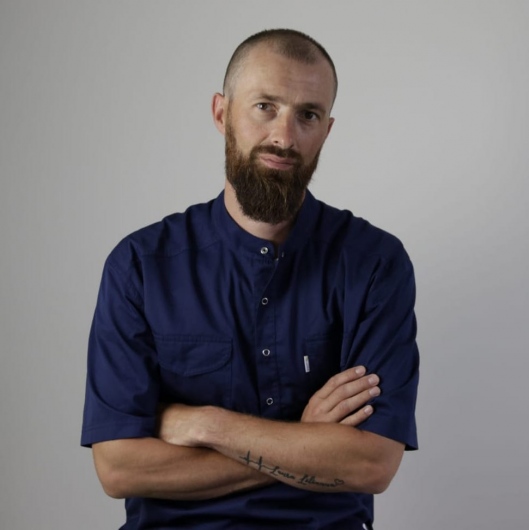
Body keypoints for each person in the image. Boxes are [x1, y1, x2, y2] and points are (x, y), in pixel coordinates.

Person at [81, 28, 419, 530]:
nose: (285, 137)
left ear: (327, 131)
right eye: (265, 107)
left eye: (308, 115)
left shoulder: (374, 263)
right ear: (222, 113)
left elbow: (371, 464)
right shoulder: (140, 266)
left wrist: (205, 424)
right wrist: (304, 440)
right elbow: (119, 469)